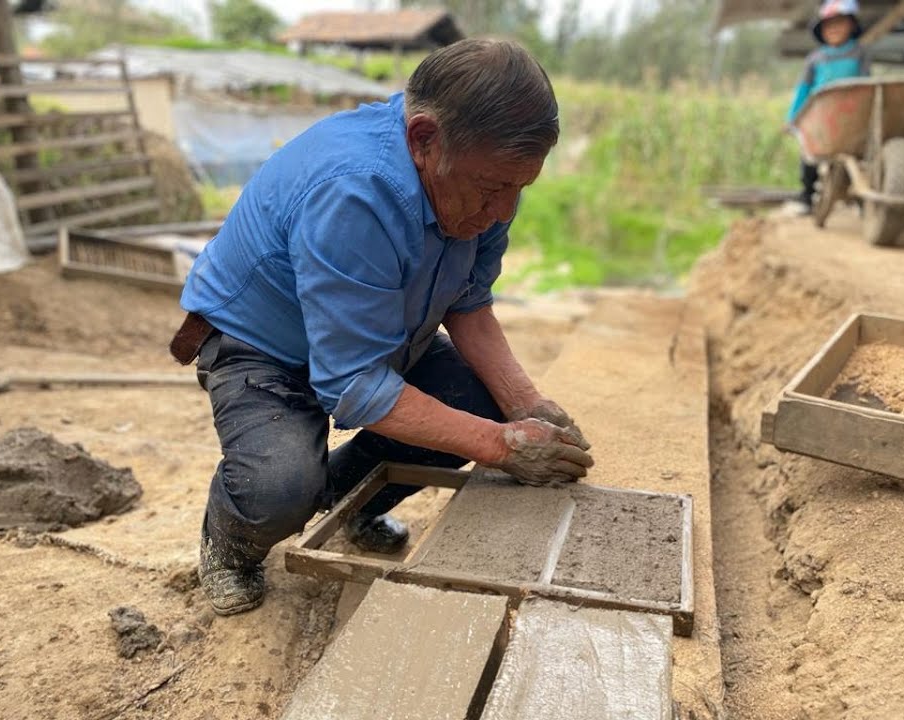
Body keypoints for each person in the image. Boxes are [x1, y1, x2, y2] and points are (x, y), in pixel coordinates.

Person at [169, 39, 596, 617]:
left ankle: (350, 501)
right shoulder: (354, 193)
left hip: (384, 331)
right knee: (280, 486)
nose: (503, 212)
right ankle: (231, 546)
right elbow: (354, 383)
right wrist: (503, 448)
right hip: (264, 349)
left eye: (521, 188)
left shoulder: (476, 177)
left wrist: (526, 405)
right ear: (424, 139)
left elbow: (468, 302)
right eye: (495, 189)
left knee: (485, 403)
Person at [785, 0, 871, 213]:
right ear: (821, 30)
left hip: (852, 116)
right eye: (828, 25)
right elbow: (803, 90)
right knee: (810, 155)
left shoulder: (860, 53)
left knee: (861, 157)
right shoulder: (815, 59)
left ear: (851, 25)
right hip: (822, 118)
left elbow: (866, 83)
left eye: (839, 23)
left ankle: (863, 198)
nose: (833, 28)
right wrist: (793, 118)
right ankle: (807, 197)